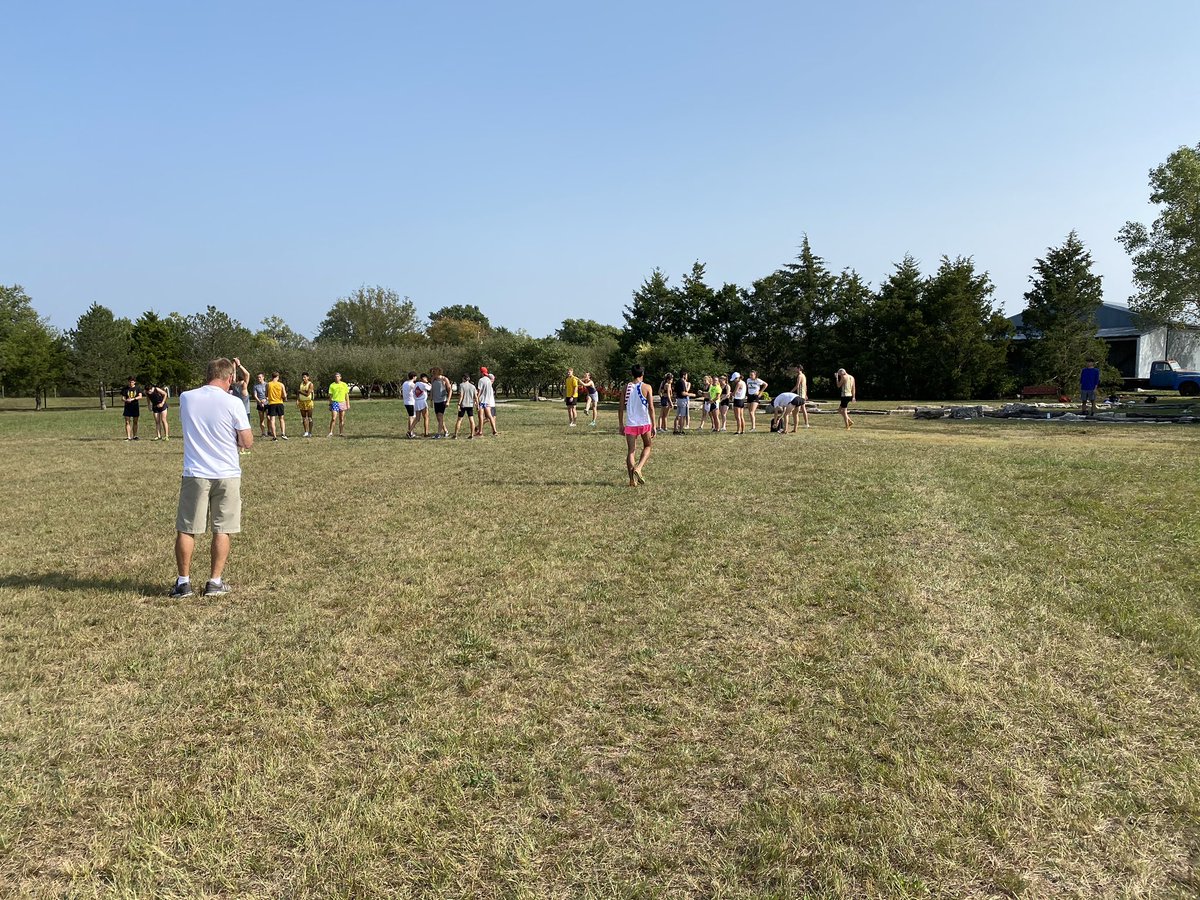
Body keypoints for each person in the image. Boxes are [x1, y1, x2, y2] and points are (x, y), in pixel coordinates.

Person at [170, 357, 253, 598]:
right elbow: (246, 441)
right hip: (226, 473)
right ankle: (214, 581)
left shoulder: (186, 397)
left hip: (195, 472)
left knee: (187, 528)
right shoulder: (234, 402)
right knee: (222, 528)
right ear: (229, 378)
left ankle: (183, 583)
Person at [618, 364, 654, 487]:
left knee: (631, 451)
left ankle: (631, 480)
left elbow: (621, 407)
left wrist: (620, 424)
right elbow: (651, 408)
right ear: (642, 374)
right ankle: (639, 468)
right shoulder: (647, 387)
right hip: (644, 422)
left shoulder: (625, 387)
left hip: (630, 424)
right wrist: (654, 425)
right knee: (648, 446)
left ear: (632, 374)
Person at [430, 367, 453, 438]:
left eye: (434, 372)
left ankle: (438, 434)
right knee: (439, 418)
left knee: (440, 417)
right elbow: (432, 390)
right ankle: (446, 431)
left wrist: (448, 401)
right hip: (436, 401)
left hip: (442, 400)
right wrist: (431, 400)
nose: (433, 374)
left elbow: (450, 390)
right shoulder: (433, 379)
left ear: (438, 372)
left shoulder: (444, 379)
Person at [454, 372, 478, 439]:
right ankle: (472, 434)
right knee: (471, 419)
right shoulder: (473, 386)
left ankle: (455, 435)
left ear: (463, 378)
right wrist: (477, 405)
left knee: (459, 420)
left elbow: (461, 395)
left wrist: (459, 404)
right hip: (470, 405)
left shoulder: (461, 385)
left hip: (463, 405)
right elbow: (476, 397)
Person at [476, 367, 499, 436]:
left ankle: (480, 432)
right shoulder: (489, 381)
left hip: (481, 401)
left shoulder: (481, 380)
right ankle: (494, 431)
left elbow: (479, 391)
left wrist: (476, 399)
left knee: (480, 416)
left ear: (481, 373)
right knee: (490, 416)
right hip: (487, 401)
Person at [266, 372, 288, 440]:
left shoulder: (268, 384)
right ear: (277, 377)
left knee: (272, 420)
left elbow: (266, 394)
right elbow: (284, 395)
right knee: (281, 419)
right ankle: (283, 433)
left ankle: (274, 436)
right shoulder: (281, 384)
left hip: (272, 403)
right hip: (279, 403)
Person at [327, 372, 350, 436]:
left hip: (342, 402)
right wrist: (330, 404)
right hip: (335, 402)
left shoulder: (344, 384)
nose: (337, 378)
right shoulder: (332, 385)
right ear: (334, 378)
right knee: (334, 418)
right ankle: (331, 432)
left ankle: (341, 432)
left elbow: (346, 395)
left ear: (340, 377)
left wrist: (348, 403)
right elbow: (330, 396)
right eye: (336, 376)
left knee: (341, 418)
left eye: (338, 376)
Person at [121, 376, 143, 441]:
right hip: (127, 407)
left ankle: (135, 436)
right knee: (127, 422)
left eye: (132, 382)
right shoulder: (125, 389)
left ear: (134, 382)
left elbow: (140, 396)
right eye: (130, 382)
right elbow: (122, 398)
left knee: (135, 421)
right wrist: (126, 400)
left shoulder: (137, 388)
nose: (131, 383)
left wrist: (133, 399)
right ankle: (128, 437)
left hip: (135, 406)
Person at [792, 365, 811, 430]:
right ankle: (806, 423)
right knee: (803, 409)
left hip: (800, 395)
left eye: (796, 368)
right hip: (802, 395)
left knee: (795, 411)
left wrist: (790, 392)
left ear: (799, 369)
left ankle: (795, 424)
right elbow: (805, 386)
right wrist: (805, 394)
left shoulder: (800, 376)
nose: (795, 370)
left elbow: (797, 386)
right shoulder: (804, 375)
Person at [297, 372, 315, 437]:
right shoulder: (301, 384)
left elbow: (307, 394)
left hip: (308, 402)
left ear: (308, 377)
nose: (303, 378)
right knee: (304, 418)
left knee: (310, 417)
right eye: (302, 377)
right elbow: (299, 393)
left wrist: (300, 391)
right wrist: (298, 399)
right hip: (302, 402)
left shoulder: (310, 384)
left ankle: (310, 432)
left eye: (305, 377)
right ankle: (306, 432)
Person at [401, 372, 418, 438]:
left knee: (411, 416)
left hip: (406, 402)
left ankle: (411, 431)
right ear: (413, 377)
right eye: (415, 376)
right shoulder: (411, 384)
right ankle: (410, 432)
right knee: (412, 417)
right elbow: (417, 389)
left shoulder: (405, 383)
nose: (416, 378)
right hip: (411, 402)